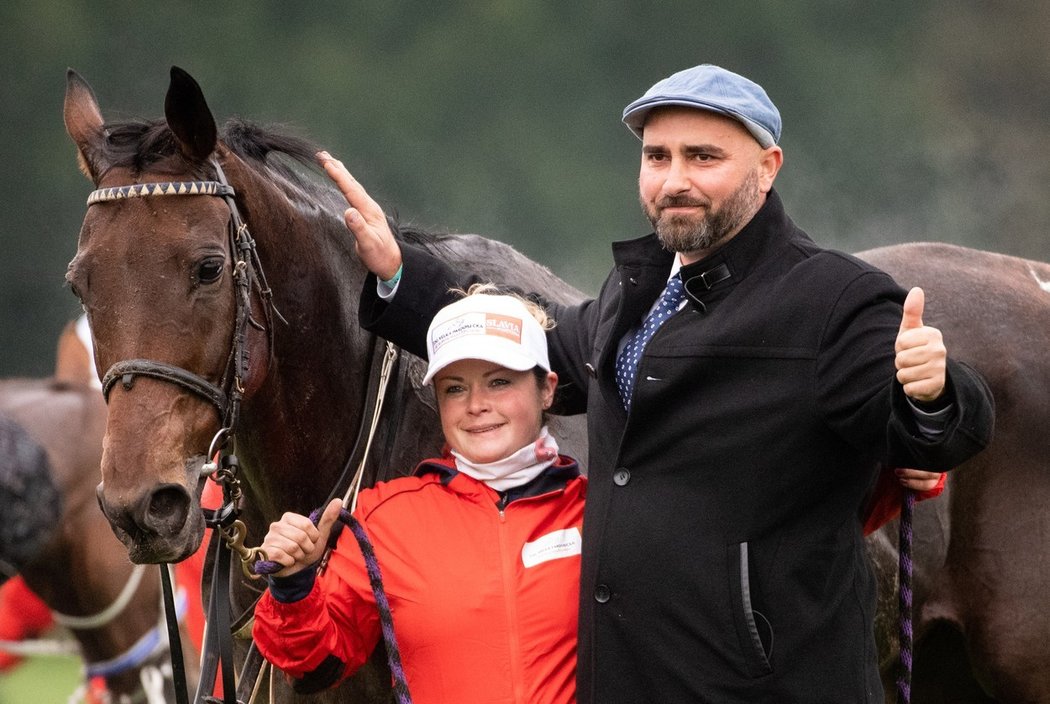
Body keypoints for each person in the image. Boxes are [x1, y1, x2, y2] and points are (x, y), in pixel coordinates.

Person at [318, 64, 995, 702]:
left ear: (767, 168)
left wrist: (931, 393)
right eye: (657, 156)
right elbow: (535, 347)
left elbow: (935, 428)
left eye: (704, 157)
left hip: (766, 687)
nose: (675, 179)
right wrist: (399, 273)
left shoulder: (835, 299)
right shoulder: (633, 293)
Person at [252, 287, 586, 702]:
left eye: (499, 382)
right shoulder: (387, 518)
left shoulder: (595, 512)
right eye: (455, 388)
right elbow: (314, 665)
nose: (477, 404)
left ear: (547, 389)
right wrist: (293, 586)